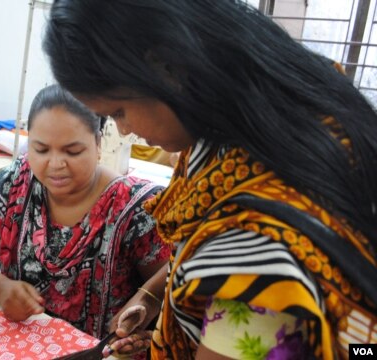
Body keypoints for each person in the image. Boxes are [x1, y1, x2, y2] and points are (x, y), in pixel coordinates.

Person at [42, 1, 377, 359]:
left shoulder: (254, 246)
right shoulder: (249, 118)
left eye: (119, 112)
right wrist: (153, 294)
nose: (125, 130)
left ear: (167, 68)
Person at [0, 84, 171, 343]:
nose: (56, 164)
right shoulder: (17, 181)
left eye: (72, 151)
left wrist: (146, 312)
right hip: (20, 345)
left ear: (98, 143)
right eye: (41, 149)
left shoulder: (137, 209)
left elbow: (172, 289)